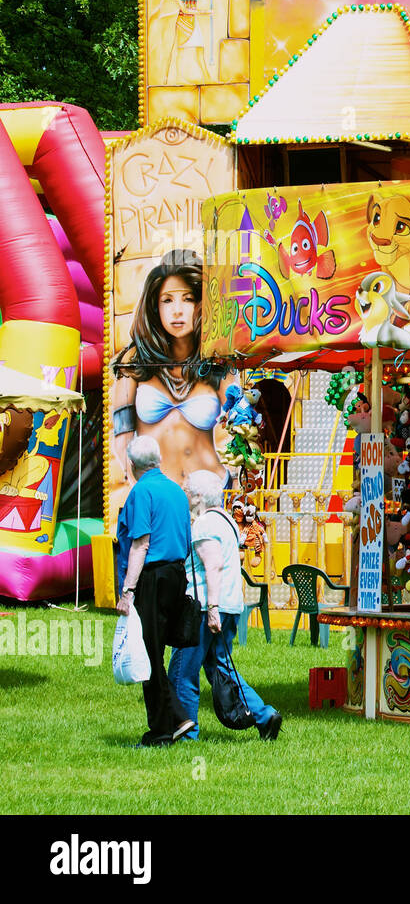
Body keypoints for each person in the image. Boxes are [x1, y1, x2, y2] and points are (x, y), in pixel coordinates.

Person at [110, 249, 234, 502]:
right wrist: (137, 487)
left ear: (203, 303)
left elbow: (242, 425)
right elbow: (121, 438)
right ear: (155, 306)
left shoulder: (218, 360)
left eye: (188, 299)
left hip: (211, 491)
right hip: (157, 496)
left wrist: (234, 476)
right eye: (167, 300)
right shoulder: (134, 361)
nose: (177, 311)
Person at [168, 470, 282, 742]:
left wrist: (213, 608)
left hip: (206, 607)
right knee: (221, 667)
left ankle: (185, 732)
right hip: (231, 603)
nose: (185, 496)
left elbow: (213, 564)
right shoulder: (227, 521)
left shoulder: (204, 525)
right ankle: (264, 714)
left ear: (197, 496)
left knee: (183, 670)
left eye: (187, 491)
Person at [115, 435, 196, 747]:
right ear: (158, 461)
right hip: (177, 574)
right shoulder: (177, 491)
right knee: (157, 652)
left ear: (133, 466)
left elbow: (140, 543)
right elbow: (186, 540)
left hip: (153, 576)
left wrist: (128, 590)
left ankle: (163, 728)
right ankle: (175, 717)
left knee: (147, 653)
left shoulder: (141, 492)